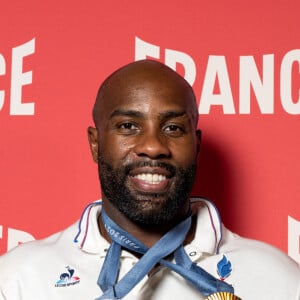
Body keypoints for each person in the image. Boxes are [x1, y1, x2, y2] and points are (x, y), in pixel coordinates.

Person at [0, 60, 299, 300]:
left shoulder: (279, 279)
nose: (154, 146)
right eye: (129, 126)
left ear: (196, 145)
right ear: (95, 143)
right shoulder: (17, 280)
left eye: (172, 128)